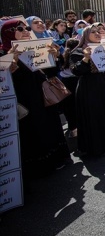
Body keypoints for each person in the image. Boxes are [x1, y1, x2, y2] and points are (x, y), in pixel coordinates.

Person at [1, 19, 70, 179]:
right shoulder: (4, 53)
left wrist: (54, 56)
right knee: (34, 129)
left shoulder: (35, 47)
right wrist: (12, 59)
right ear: (9, 33)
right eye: (19, 28)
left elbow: (50, 71)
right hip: (25, 99)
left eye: (26, 28)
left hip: (42, 95)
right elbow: (6, 79)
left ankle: (56, 158)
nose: (25, 31)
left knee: (49, 125)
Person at [70, 25, 105, 155]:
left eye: (98, 32)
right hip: (90, 89)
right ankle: (97, 147)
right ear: (85, 35)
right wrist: (86, 58)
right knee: (95, 117)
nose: (97, 34)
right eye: (93, 32)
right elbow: (76, 71)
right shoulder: (78, 51)